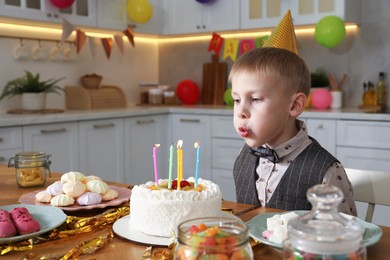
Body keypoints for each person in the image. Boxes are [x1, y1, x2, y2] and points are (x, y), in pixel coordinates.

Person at [229, 47, 357, 216]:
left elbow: (345, 236)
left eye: (255, 99)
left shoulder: (326, 172)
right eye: (236, 100)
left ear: (295, 105)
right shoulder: (243, 155)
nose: (241, 111)